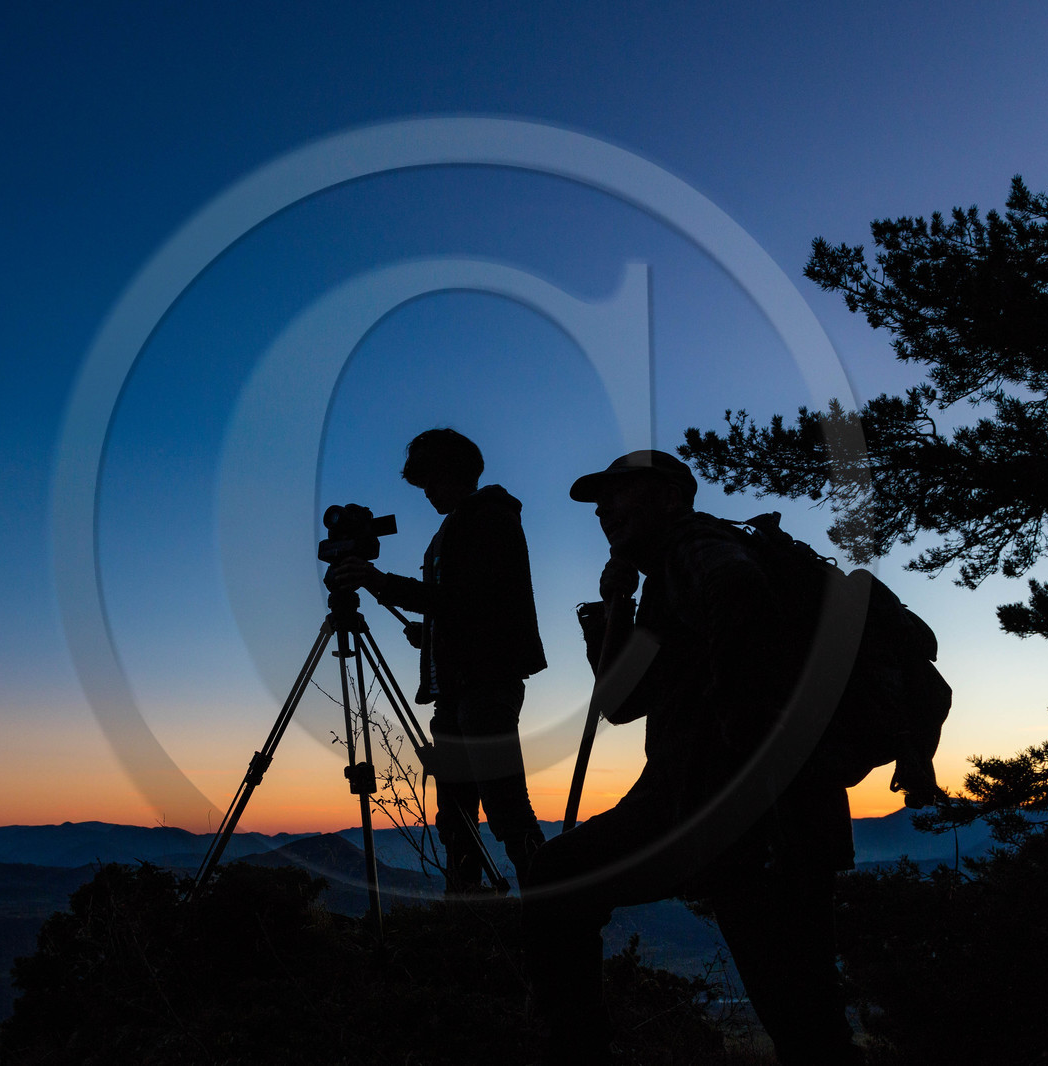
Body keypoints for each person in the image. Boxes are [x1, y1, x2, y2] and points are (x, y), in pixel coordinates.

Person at [522, 449, 861, 1066]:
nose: (603, 511)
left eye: (618, 495)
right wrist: (613, 609)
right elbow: (625, 702)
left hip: (746, 811)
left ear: (671, 498)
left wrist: (741, 742)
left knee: (557, 879)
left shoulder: (695, 545)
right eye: (599, 502)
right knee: (806, 1013)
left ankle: (575, 1049)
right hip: (758, 809)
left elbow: (737, 588)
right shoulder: (667, 579)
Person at [327, 428, 547, 892]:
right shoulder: (455, 526)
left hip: (485, 684)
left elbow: (471, 600)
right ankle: (465, 912)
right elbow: (460, 609)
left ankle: (547, 905)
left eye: (429, 479)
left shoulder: (489, 517)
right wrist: (427, 636)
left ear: (453, 472)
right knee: (456, 815)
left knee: (506, 805)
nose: (425, 491)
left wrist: (380, 582)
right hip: (455, 689)